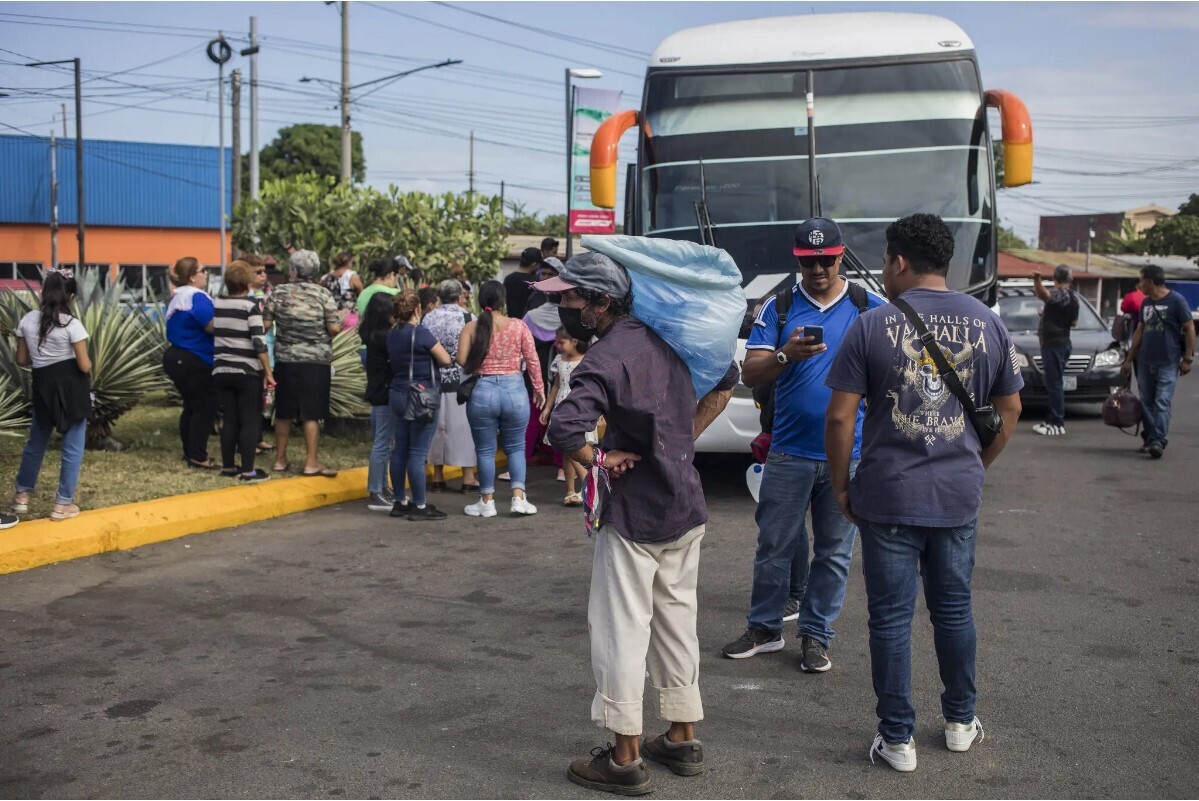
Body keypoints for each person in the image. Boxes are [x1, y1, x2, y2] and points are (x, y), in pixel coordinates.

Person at [824, 213, 1023, 773]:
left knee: (889, 619)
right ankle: (960, 722)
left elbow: (840, 420)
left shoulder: (870, 326)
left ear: (899, 261)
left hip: (886, 494)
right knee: (954, 611)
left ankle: (898, 740)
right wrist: (976, 463)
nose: (886, 270)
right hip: (957, 494)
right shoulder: (988, 323)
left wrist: (842, 487)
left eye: (887, 261)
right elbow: (1011, 409)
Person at [539, 252, 739, 796]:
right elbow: (725, 380)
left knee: (622, 630)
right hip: (684, 504)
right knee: (678, 623)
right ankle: (681, 736)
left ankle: (625, 757)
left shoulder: (604, 360)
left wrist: (601, 460)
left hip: (635, 516)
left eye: (570, 297)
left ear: (601, 302)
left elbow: (563, 429)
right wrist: (675, 444)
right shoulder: (669, 339)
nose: (563, 307)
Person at [722, 217, 885, 672]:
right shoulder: (779, 306)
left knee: (834, 552)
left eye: (827, 260)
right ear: (798, 260)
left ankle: (816, 636)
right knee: (774, 545)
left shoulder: (869, 305)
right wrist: (784, 355)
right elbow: (750, 373)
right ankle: (765, 628)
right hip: (789, 451)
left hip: (850, 456)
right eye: (809, 261)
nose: (818, 270)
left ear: (841, 255)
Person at [457, 280, 545, 517]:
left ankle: (487, 501)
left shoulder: (472, 328)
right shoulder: (518, 326)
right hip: (514, 390)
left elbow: (462, 360)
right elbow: (533, 359)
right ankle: (518, 497)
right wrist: (539, 389)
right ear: (503, 301)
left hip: (482, 391)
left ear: (480, 301)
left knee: (485, 450)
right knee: (516, 447)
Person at [11, 268, 91, 523]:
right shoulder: (71, 324)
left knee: (36, 441)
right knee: (73, 445)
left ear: (44, 293)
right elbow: (85, 365)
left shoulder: (28, 320)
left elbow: (22, 360)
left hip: (42, 385)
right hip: (72, 389)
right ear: (71, 296)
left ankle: (22, 496)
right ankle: (62, 504)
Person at [263, 249, 341, 478]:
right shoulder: (323, 294)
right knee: (311, 412)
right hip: (316, 361)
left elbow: (265, 324)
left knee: (284, 411)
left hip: (285, 359)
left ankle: (279, 460)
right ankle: (310, 462)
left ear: (294, 270)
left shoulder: (277, 292)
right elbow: (334, 328)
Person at [386, 290, 453, 521]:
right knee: (417, 452)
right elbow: (445, 359)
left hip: (397, 393)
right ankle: (420, 505)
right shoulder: (421, 333)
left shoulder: (392, 334)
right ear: (417, 310)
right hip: (421, 396)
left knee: (400, 450)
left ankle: (399, 501)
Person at [1120, 264, 1195, 459]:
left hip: (1168, 361)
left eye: (1141, 280)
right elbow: (1140, 331)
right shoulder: (1146, 303)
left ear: (1150, 282)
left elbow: (1189, 329)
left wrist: (1188, 358)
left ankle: (1158, 441)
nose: (1140, 284)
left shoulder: (1177, 301)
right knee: (1146, 402)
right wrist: (1129, 359)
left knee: (1162, 401)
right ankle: (1151, 438)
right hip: (1145, 361)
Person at [211, 260, 275, 483]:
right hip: (246, 370)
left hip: (221, 369)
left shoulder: (217, 303)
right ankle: (248, 470)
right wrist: (268, 372)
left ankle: (229, 466)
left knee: (230, 419)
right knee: (249, 420)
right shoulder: (250, 306)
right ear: (247, 282)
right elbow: (259, 342)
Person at [422, 279, 479, 494]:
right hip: (461, 380)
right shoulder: (468, 318)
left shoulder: (428, 317)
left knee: (437, 428)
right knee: (463, 428)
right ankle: (468, 476)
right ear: (459, 296)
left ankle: (437, 476)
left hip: (434, 377)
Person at [163, 256, 219, 470]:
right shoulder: (197, 296)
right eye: (203, 270)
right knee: (205, 407)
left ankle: (190, 452)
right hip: (194, 358)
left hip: (176, 356)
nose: (206, 274)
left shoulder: (178, 296)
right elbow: (210, 326)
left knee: (192, 406)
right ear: (193, 276)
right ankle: (198, 455)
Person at [538, 328, 591, 506]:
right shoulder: (559, 360)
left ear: (574, 341)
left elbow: (592, 388)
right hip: (561, 406)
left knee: (572, 448)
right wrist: (547, 408)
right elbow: (555, 386)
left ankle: (587, 484)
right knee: (566, 454)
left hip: (578, 407)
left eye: (561, 342)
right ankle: (570, 490)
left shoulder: (585, 360)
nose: (557, 345)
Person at [524, 257, 566, 468]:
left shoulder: (531, 315)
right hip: (559, 371)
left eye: (551, 274)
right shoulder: (569, 314)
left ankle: (522, 463)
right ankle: (561, 466)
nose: (547, 278)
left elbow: (522, 340)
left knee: (535, 415)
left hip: (538, 372)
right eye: (544, 274)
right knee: (556, 415)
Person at [359, 293, 397, 511]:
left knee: (385, 442)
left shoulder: (372, 334)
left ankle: (382, 486)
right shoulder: (383, 336)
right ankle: (376, 489)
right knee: (383, 443)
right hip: (384, 393)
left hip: (379, 392)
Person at [1031, 266, 1079, 437]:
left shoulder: (1063, 294)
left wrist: (1037, 280)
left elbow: (1045, 295)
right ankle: (1052, 419)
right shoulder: (1071, 298)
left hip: (1055, 345)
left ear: (1055, 278)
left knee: (1055, 384)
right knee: (1053, 384)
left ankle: (1056, 423)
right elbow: (1073, 322)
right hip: (1060, 343)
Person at [321, 251, 364, 328]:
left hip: (331, 317)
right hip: (349, 316)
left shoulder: (326, 278)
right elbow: (361, 294)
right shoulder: (352, 276)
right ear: (348, 263)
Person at [503, 246, 542, 320]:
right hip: (530, 326)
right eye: (539, 265)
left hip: (513, 325)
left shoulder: (508, 279)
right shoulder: (536, 282)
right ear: (534, 264)